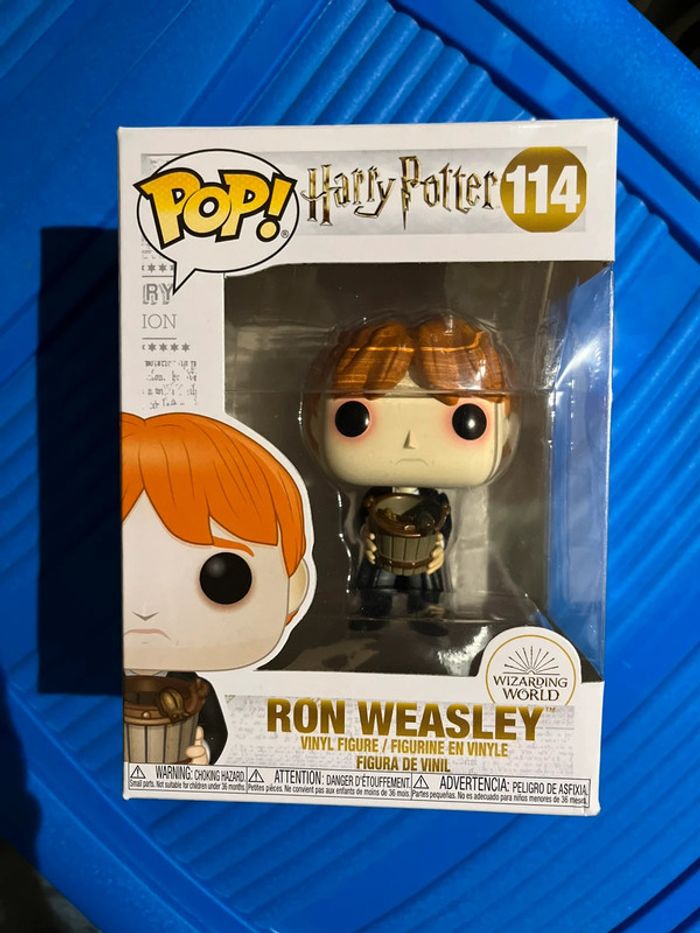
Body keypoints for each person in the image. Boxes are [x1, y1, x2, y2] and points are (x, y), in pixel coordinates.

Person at [122, 411, 313, 763]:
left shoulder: (196, 690)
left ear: (294, 588)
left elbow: (216, 731)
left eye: (222, 579)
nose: (145, 610)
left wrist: (204, 751)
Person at [304, 312, 516, 619]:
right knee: (376, 588)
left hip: (424, 563)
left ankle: (427, 610)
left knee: (427, 588)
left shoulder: (436, 502)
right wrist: (365, 537)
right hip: (380, 560)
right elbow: (362, 522)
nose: (411, 441)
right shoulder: (374, 499)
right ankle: (373, 611)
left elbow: (444, 526)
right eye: (354, 419)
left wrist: (440, 545)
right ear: (315, 423)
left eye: (465, 421)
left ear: (506, 427)